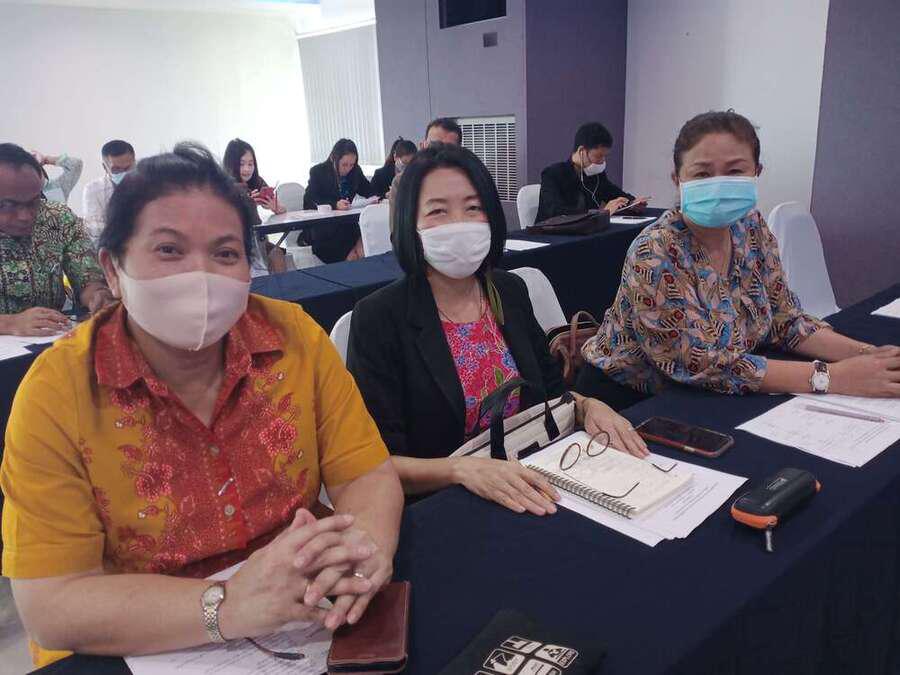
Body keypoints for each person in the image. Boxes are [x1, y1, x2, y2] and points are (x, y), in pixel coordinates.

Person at [1, 143, 404, 669]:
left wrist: (365, 553)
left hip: (304, 612)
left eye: (225, 253)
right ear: (113, 270)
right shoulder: (58, 390)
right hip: (136, 640)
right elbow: (52, 605)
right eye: (169, 250)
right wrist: (228, 606)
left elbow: (366, 473)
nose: (201, 275)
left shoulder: (293, 338)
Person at [347, 143, 649, 518]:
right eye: (438, 211)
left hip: (535, 484)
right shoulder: (378, 318)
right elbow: (375, 463)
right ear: (410, 224)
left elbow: (552, 394)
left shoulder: (508, 290)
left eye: (473, 208)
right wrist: (460, 470)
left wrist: (588, 406)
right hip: (445, 508)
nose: (459, 223)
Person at [579, 110, 900, 403]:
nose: (718, 185)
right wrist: (832, 377)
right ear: (677, 179)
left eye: (734, 171)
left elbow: (785, 320)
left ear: (756, 172)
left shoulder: (751, 227)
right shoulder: (655, 250)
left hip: (719, 390)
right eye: (702, 174)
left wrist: (869, 357)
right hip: (632, 398)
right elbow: (702, 364)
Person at [0, 143, 114, 336]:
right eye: (7, 205)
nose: (25, 216)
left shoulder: (58, 218)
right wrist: (9, 323)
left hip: (52, 339)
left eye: (34, 202)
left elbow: (86, 276)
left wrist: (98, 297)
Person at [536, 122, 647, 223]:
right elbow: (555, 211)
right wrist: (601, 212)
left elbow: (613, 193)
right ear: (581, 151)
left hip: (586, 231)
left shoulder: (596, 175)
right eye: (599, 156)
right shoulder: (552, 174)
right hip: (550, 233)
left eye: (604, 156)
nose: (602, 161)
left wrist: (632, 203)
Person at [303, 139, 374, 263]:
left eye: (352, 164)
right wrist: (334, 204)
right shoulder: (318, 172)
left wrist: (380, 196)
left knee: (366, 244)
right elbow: (310, 200)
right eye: (344, 164)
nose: (348, 169)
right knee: (355, 255)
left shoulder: (355, 171)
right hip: (326, 232)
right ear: (333, 158)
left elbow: (369, 190)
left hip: (349, 227)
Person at [222, 138, 287, 274]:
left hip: (258, 241)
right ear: (231, 164)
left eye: (251, 164)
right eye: (241, 164)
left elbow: (282, 208)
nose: (247, 169)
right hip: (236, 244)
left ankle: (282, 289)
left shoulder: (256, 181)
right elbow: (249, 222)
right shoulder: (224, 186)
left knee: (277, 254)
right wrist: (248, 204)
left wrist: (275, 207)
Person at [82, 140, 136, 240]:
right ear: (105, 167)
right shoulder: (93, 189)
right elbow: (94, 228)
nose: (123, 173)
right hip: (111, 243)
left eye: (128, 168)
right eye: (116, 169)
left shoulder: (148, 182)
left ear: (134, 162)